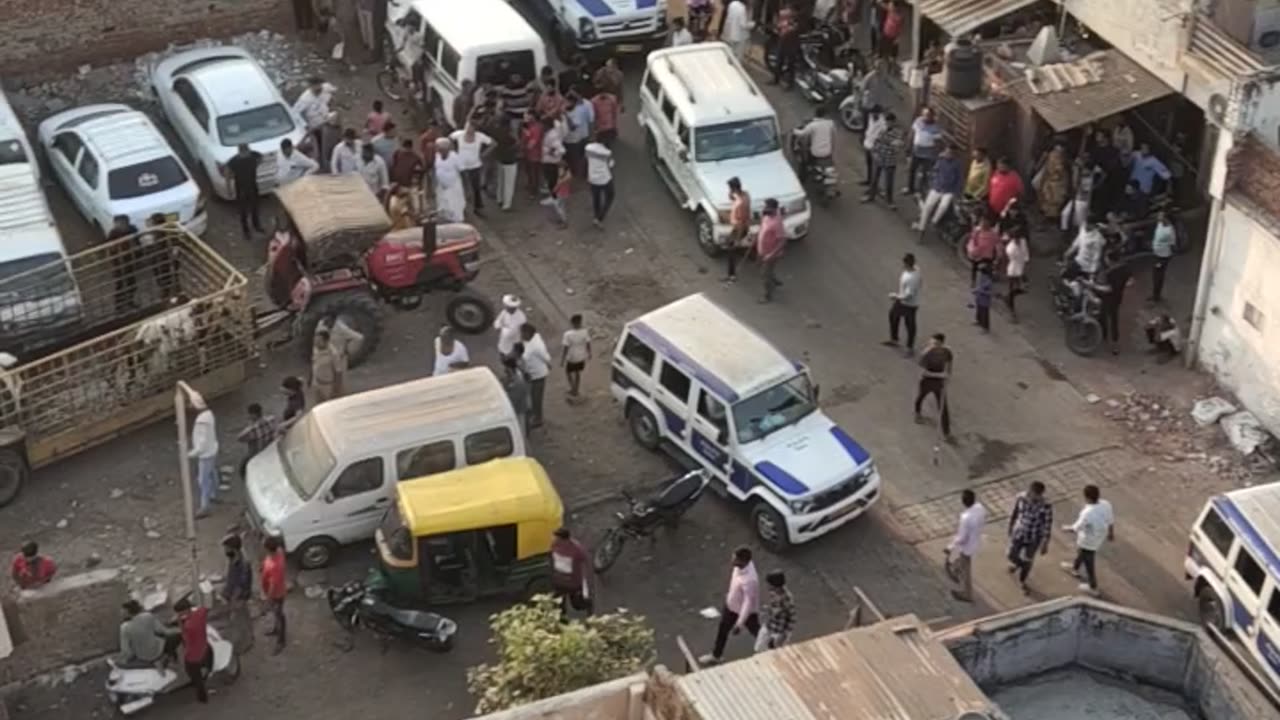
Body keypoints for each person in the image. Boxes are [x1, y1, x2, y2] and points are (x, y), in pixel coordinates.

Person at [701, 546, 760, 665]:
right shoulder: (739, 568)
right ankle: (716, 655)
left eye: (735, 559)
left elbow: (748, 603)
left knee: (757, 632)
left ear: (743, 561)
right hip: (731, 606)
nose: (732, 560)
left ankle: (772, 648)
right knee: (722, 630)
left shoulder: (750, 580)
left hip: (745, 613)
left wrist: (739, 623)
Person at [1061, 484, 1114, 596]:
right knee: (1081, 553)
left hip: (1088, 541)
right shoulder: (1106, 504)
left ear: (1087, 498)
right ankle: (1074, 568)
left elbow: (1076, 528)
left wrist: (1066, 528)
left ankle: (1093, 586)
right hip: (1099, 536)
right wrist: (1111, 533)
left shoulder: (1087, 513)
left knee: (1089, 562)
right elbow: (1110, 520)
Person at [1006, 481, 1052, 594]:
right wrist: (1010, 526)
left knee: (1028, 559)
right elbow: (1015, 512)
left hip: (1034, 537)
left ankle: (1022, 580)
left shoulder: (1046, 506)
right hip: (1020, 532)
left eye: (1036, 495)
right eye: (1031, 494)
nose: (1032, 497)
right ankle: (1020, 564)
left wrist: (1045, 542)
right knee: (1011, 554)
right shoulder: (1021, 498)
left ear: (1040, 495)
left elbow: (1047, 524)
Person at [944, 489, 986, 603]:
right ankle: (955, 569)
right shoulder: (980, 509)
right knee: (962, 561)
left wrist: (950, 546)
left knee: (966, 569)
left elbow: (962, 537)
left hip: (968, 546)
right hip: (976, 540)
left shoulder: (966, 518)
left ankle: (967, 593)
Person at [913, 142, 962, 230]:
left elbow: (959, 179)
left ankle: (934, 222)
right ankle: (921, 227)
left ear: (954, 154)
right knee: (928, 206)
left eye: (951, 153)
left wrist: (956, 192)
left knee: (943, 206)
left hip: (949, 190)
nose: (948, 154)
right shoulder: (940, 160)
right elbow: (934, 171)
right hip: (937, 187)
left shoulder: (957, 164)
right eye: (947, 152)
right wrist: (933, 182)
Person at [450, 120, 494, 217]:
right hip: (461, 167)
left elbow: (493, 143)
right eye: (467, 127)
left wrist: (484, 154)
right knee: (461, 188)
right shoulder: (459, 135)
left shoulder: (480, 136)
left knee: (476, 188)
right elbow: (449, 139)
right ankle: (461, 207)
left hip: (475, 166)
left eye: (470, 128)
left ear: (474, 129)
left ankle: (478, 208)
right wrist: (454, 152)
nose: (468, 129)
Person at [172, 597, 212, 703]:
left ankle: (202, 697)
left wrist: (180, 622)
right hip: (205, 646)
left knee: (193, 674)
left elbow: (185, 638)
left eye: (179, 612)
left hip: (193, 655)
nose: (179, 614)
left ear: (184, 611)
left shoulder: (188, 625)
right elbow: (205, 608)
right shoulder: (200, 613)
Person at [914, 332, 952, 438]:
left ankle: (946, 431)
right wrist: (940, 375)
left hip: (939, 383)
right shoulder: (926, 354)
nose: (932, 344)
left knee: (943, 406)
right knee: (921, 397)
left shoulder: (947, 352)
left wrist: (947, 376)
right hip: (927, 381)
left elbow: (949, 365)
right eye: (932, 342)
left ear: (941, 343)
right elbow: (923, 372)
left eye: (935, 343)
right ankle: (917, 413)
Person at [221, 534, 254, 652]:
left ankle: (246, 643)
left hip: (239, 597)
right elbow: (231, 576)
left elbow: (240, 586)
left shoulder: (243, 563)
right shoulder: (233, 557)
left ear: (232, 548)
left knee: (240, 620)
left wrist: (233, 603)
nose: (225, 550)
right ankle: (248, 638)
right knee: (242, 618)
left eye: (226, 548)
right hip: (234, 595)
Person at [115, 600, 172, 667]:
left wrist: (123, 659)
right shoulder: (148, 616)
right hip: (156, 651)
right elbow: (161, 630)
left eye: (122, 611)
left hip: (142, 656)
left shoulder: (124, 627)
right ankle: (169, 657)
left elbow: (126, 650)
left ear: (127, 612)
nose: (121, 613)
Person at [188, 392, 219, 518]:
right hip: (212, 449)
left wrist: (190, 454)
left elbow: (202, 443)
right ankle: (213, 494)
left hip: (206, 454)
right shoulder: (209, 414)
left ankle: (205, 507)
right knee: (212, 473)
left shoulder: (202, 422)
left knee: (203, 480)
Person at [1096, 252, 1133, 355]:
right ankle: (1115, 342)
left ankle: (1103, 335)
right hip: (1117, 298)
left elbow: (1107, 289)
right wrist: (1122, 286)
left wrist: (1093, 286)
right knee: (1114, 319)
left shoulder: (1109, 273)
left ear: (1111, 261)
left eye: (1106, 259)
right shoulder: (1126, 268)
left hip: (1107, 298)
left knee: (1102, 316)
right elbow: (1130, 282)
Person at [550, 528, 591, 619]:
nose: (553, 539)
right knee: (559, 605)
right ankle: (563, 622)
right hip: (559, 581)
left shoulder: (576, 549)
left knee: (577, 605)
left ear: (563, 539)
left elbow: (585, 562)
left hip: (573, 582)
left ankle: (588, 608)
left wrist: (585, 582)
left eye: (556, 537)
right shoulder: (554, 545)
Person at [884, 253, 921, 355]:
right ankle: (894, 339)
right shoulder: (915, 269)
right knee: (893, 316)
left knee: (909, 324)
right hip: (901, 301)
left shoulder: (912, 279)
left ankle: (910, 348)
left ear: (907, 264)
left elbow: (909, 295)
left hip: (909, 304)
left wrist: (895, 296)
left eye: (904, 264)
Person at [862, 111, 903, 205]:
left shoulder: (898, 133)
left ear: (893, 122)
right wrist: (875, 152)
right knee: (874, 179)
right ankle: (871, 196)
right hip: (879, 158)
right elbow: (876, 142)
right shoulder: (882, 131)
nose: (887, 124)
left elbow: (897, 146)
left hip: (890, 160)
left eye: (889, 122)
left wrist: (888, 142)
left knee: (889, 182)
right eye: (886, 122)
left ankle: (889, 200)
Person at [225, 144, 263, 239]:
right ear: (240, 152)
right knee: (243, 211)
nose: (246, 154)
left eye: (247, 152)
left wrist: (255, 166)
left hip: (252, 186)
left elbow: (261, 158)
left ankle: (256, 225)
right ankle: (246, 231)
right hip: (241, 189)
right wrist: (229, 188)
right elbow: (227, 173)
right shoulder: (234, 161)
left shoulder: (253, 156)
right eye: (244, 153)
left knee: (255, 207)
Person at [518, 323, 552, 428]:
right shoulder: (529, 341)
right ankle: (535, 414)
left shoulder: (536, 346)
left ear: (528, 333)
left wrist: (549, 364)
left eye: (522, 333)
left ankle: (538, 418)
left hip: (538, 374)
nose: (521, 335)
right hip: (531, 373)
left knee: (537, 397)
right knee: (532, 395)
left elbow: (545, 357)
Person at [754, 570, 796, 653]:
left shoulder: (787, 599)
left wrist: (784, 635)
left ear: (774, 585)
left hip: (779, 631)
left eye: (769, 584)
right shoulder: (773, 592)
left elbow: (792, 618)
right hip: (770, 625)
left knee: (774, 653)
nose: (767, 586)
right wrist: (769, 609)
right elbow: (776, 609)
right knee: (758, 648)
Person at [1062, 153, 1104, 234]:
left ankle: (1078, 236)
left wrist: (1095, 185)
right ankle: (1065, 232)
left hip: (1083, 201)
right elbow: (1075, 184)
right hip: (1076, 198)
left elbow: (1102, 174)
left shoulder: (1091, 174)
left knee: (1079, 222)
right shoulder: (1079, 171)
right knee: (1064, 214)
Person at [261, 535, 288, 654]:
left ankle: (281, 640)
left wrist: (268, 600)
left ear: (268, 549)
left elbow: (273, 585)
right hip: (277, 591)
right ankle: (276, 629)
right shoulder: (278, 552)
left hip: (276, 594)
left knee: (279, 614)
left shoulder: (275, 566)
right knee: (277, 614)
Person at [907, 108, 942, 196]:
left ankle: (920, 190)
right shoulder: (918, 121)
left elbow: (938, 143)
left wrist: (936, 156)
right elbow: (912, 133)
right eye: (924, 115)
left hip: (928, 154)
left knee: (924, 173)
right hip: (916, 151)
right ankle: (910, 188)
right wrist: (908, 146)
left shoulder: (936, 127)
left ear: (932, 116)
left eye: (928, 115)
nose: (925, 117)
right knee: (912, 170)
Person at [756, 198, 786, 303]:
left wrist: (771, 254)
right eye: (765, 206)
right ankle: (773, 279)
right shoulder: (767, 214)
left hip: (770, 254)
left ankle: (767, 295)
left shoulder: (777, 223)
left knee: (764, 274)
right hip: (761, 250)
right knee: (767, 269)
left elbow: (782, 241)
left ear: (774, 209)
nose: (765, 209)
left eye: (768, 208)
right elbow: (763, 224)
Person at [794, 106, 836, 179]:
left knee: (805, 158)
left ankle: (807, 172)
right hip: (828, 151)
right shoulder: (830, 123)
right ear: (825, 115)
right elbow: (834, 135)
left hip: (816, 153)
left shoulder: (812, 125)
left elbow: (802, 133)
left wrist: (794, 131)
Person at [235, 403, 276, 478]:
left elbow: (239, 438)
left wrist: (250, 425)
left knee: (242, 466)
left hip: (256, 453)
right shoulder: (271, 419)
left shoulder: (251, 430)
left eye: (249, 414)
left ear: (253, 415)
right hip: (270, 449)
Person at [292, 77, 332, 151]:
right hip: (316, 126)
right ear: (311, 87)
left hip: (327, 121)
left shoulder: (326, 88)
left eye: (320, 86)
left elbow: (332, 91)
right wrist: (305, 125)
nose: (319, 90)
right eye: (316, 87)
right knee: (321, 145)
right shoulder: (305, 99)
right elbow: (295, 112)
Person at [434, 137, 468, 223]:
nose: (439, 150)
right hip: (442, 187)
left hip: (453, 187)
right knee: (444, 207)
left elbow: (463, 172)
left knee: (455, 207)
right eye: (438, 148)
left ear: (446, 148)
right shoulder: (437, 156)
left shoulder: (454, 157)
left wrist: (467, 188)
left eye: (441, 149)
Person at [724, 178, 752, 283]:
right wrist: (732, 193)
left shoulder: (741, 203)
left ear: (734, 188)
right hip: (739, 226)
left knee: (731, 250)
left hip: (739, 228)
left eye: (730, 188)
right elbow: (732, 197)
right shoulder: (745, 195)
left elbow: (741, 223)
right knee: (730, 244)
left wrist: (737, 239)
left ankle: (731, 275)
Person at [585, 134, 615, 228]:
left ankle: (596, 216)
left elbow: (586, 158)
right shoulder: (607, 152)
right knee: (610, 196)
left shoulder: (588, 147)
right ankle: (599, 218)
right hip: (604, 179)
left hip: (592, 178)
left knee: (596, 198)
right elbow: (610, 165)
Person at [563, 91, 595, 179]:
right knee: (570, 159)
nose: (566, 104)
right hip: (565, 139)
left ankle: (580, 175)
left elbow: (573, 127)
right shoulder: (564, 109)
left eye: (568, 102)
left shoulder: (578, 111)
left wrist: (565, 115)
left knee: (577, 159)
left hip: (575, 140)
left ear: (573, 102)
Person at [491, 119, 520, 212]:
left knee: (500, 180)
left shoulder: (496, 132)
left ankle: (499, 199)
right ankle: (506, 205)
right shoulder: (510, 135)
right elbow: (517, 145)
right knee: (509, 183)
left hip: (500, 159)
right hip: (510, 160)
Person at [965, 213, 1002, 286]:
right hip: (979, 254)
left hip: (987, 255)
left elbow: (998, 243)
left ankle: (983, 281)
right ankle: (974, 281)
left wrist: (999, 254)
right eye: (982, 222)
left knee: (986, 268)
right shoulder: (978, 231)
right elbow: (973, 240)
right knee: (975, 268)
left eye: (985, 223)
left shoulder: (993, 233)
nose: (983, 225)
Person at [310, 329, 345, 403]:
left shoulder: (333, 354)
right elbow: (314, 363)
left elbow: (338, 372)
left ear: (326, 341)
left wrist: (336, 390)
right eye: (315, 340)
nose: (316, 343)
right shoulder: (315, 349)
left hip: (328, 386)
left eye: (319, 341)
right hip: (316, 383)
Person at [561, 313, 592, 398]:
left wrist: (562, 360)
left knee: (568, 372)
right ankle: (576, 389)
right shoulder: (585, 332)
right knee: (577, 373)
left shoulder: (567, 334)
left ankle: (573, 389)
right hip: (581, 357)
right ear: (580, 322)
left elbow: (565, 348)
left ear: (572, 323)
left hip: (572, 358)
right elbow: (588, 343)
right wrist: (589, 353)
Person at [1004, 227, 1029, 322]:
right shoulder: (1010, 248)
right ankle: (1012, 311)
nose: (1017, 240)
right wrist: (1021, 273)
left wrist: (1025, 264)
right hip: (1013, 270)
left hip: (1021, 268)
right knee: (1013, 288)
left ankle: (1008, 298)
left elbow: (1025, 254)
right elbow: (1015, 261)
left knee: (1022, 289)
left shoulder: (1023, 241)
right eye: (1015, 238)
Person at [1149, 210, 1175, 303]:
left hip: (1163, 257)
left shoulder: (1169, 231)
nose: (1158, 218)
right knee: (1155, 275)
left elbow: (1172, 244)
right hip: (1156, 254)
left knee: (1158, 276)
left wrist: (1167, 257)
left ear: (1166, 218)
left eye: (1161, 216)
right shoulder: (1160, 224)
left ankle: (1156, 296)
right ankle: (1155, 294)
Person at [501, 355, 531, 435]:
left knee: (520, 432)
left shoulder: (517, 380)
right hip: (519, 407)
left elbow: (514, 397)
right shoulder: (514, 377)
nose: (505, 370)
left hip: (519, 408)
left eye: (506, 368)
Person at [773, 3, 801, 87]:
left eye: (790, 9)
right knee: (779, 60)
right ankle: (776, 79)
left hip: (791, 43)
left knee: (790, 64)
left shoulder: (797, 19)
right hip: (783, 40)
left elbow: (794, 29)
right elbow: (779, 25)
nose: (787, 11)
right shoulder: (786, 18)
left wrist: (785, 26)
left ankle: (790, 83)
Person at [521, 111, 547, 199]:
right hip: (527, 153)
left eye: (528, 116)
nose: (525, 118)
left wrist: (526, 144)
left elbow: (533, 143)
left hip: (534, 154)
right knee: (529, 172)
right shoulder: (527, 126)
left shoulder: (537, 128)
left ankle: (534, 191)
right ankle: (531, 186)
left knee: (534, 173)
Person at [540, 116, 567, 198]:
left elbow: (561, 150)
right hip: (548, 161)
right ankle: (554, 196)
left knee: (552, 181)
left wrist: (550, 152)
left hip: (551, 162)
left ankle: (555, 198)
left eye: (543, 125)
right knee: (551, 180)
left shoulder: (553, 136)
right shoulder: (548, 133)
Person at [860, 106, 886, 187]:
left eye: (875, 114)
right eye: (873, 113)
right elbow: (868, 128)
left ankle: (875, 185)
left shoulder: (883, 123)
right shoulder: (870, 117)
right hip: (868, 143)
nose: (873, 115)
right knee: (869, 164)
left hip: (876, 147)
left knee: (876, 167)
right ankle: (869, 180)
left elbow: (883, 136)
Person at [550, 160, 572, 228]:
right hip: (565, 193)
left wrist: (553, 191)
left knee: (559, 207)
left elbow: (558, 185)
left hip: (562, 194)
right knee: (561, 207)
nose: (559, 170)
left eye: (560, 168)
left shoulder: (563, 177)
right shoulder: (568, 175)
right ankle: (562, 220)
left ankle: (564, 222)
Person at [972, 262, 994, 332]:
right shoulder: (981, 278)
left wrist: (980, 291)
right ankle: (979, 321)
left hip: (985, 300)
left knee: (984, 314)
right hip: (979, 298)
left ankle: (985, 328)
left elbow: (990, 293)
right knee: (979, 311)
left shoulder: (988, 282)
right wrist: (976, 290)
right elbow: (979, 286)